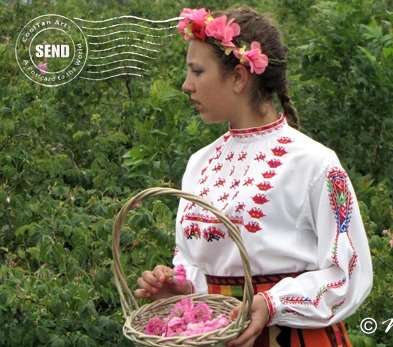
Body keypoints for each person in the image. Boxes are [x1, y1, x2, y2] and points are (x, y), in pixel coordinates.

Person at [135, 6, 372, 347]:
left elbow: (349, 274)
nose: (186, 85)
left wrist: (273, 302)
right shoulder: (199, 164)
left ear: (239, 77)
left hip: (297, 338)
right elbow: (195, 263)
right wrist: (184, 290)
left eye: (197, 71)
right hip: (221, 335)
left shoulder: (315, 165)